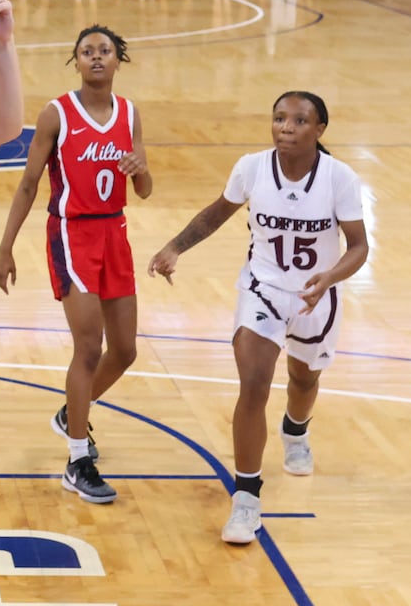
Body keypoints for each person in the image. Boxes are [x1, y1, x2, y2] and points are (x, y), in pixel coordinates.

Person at [148, 92, 368, 545]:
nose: (286, 127)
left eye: (299, 120)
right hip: (261, 289)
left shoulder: (339, 178)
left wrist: (328, 278)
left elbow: (359, 246)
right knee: (252, 383)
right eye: (279, 118)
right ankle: (246, 498)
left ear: (319, 130)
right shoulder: (251, 167)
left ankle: (295, 430)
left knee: (304, 379)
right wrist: (174, 247)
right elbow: (217, 213)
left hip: (316, 295)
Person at [0, 25, 151, 506]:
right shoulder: (56, 114)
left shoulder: (129, 113)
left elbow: (144, 190)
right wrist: (5, 247)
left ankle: (71, 414)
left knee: (124, 350)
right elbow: (28, 183)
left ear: (118, 60)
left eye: (105, 50)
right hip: (72, 234)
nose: (96, 57)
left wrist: (141, 167)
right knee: (88, 347)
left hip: (115, 233)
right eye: (87, 51)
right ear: (76, 60)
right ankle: (77, 460)